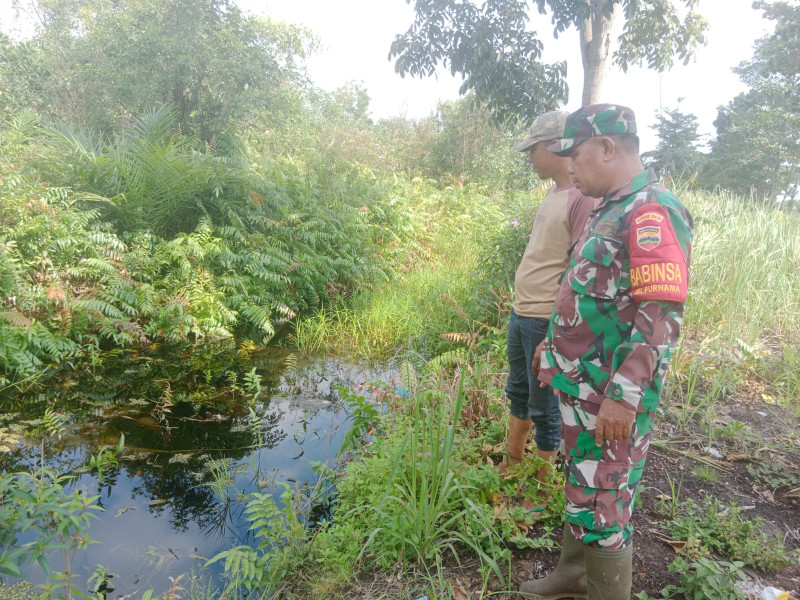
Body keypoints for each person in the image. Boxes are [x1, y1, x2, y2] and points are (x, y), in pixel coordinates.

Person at [519, 104, 693, 599]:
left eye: (574, 157)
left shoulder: (651, 210)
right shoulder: (608, 206)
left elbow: (660, 313)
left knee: (605, 502)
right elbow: (587, 292)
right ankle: (574, 575)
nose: (569, 169)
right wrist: (551, 350)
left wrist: (624, 394)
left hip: (609, 400)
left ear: (608, 147)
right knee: (583, 489)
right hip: (580, 385)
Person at [500, 111, 597, 511]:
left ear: (556, 145)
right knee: (518, 391)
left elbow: (579, 270)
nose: (529, 157)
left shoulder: (581, 198)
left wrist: (558, 330)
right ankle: (511, 461)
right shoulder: (554, 192)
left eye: (533, 149)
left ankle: (539, 487)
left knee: (545, 405)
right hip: (523, 312)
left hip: (545, 318)